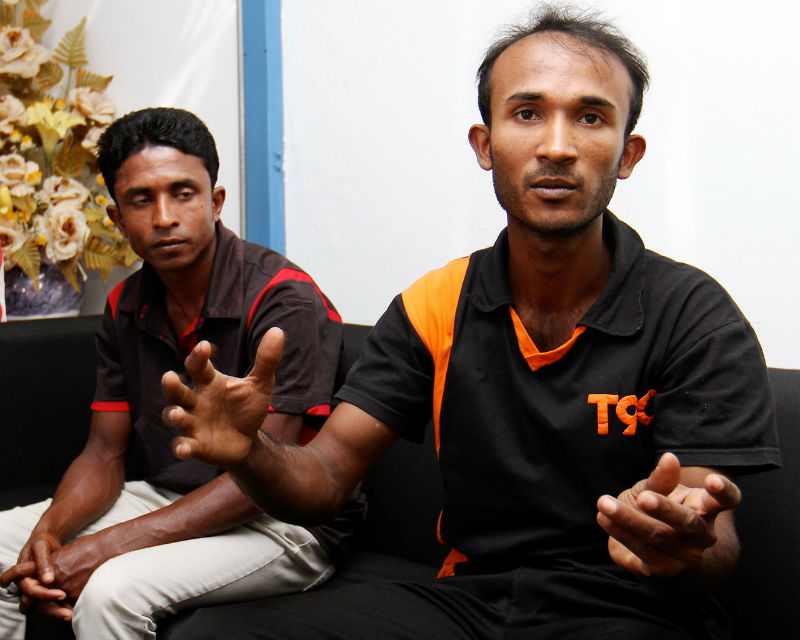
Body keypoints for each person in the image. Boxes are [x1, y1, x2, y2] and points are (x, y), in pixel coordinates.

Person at [160, 7, 780, 639]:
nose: (557, 146)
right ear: (485, 146)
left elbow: (714, 534)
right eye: (527, 113)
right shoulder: (436, 303)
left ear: (628, 154)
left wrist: (682, 541)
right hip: (473, 601)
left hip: (630, 608)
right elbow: (323, 479)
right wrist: (252, 452)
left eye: (591, 117)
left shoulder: (695, 316)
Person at [0, 107, 360, 640]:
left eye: (183, 193)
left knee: (109, 591)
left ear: (215, 202)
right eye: (141, 200)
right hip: (170, 496)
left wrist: (103, 547)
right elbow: (103, 454)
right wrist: (48, 536)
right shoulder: (125, 303)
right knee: (10, 548)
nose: (164, 216)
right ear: (117, 219)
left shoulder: (284, 298)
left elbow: (266, 478)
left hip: (287, 520)